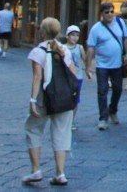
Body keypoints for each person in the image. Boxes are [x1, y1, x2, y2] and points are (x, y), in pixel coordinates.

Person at [22, 17, 76, 186]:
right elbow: (73, 73)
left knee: (33, 129)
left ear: (43, 32)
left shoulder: (39, 51)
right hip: (64, 98)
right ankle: (60, 173)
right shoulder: (64, 50)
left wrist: (32, 100)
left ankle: (36, 170)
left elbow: (37, 77)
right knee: (62, 133)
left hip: (44, 98)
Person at [85, 1, 127, 130]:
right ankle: (103, 118)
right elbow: (91, 48)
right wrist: (89, 66)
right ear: (102, 14)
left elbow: (125, 39)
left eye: (112, 11)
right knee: (102, 91)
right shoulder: (96, 28)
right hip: (102, 65)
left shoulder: (120, 23)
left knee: (118, 89)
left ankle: (112, 110)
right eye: (107, 12)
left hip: (117, 64)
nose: (110, 15)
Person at [64, 25, 84, 132]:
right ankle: (65, 120)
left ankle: (71, 120)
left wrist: (88, 70)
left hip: (78, 77)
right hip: (66, 77)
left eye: (77, 35)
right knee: (66, 98)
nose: (75, 38)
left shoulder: (80, 48)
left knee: (75, 100)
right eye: (72, 35)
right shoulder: (62, 48)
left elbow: (84, 60)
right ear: (67, 36)